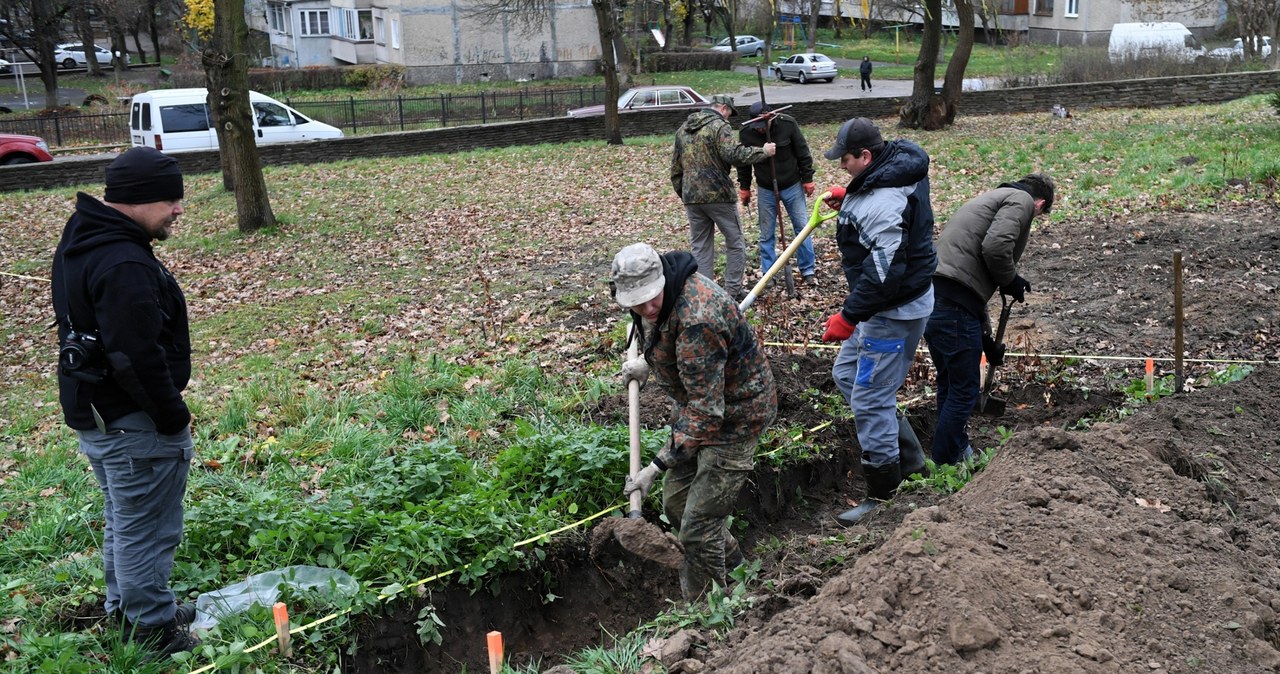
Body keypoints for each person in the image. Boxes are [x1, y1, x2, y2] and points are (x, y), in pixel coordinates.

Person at [50, 147, 199, 658]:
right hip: (132, 421)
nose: (179, 209)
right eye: (170, 199)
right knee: (149, 525)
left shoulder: (82, 236)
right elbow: (136, 356)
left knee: (126, 517)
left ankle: (130, 610)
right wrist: (172, 417)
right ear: (135, 200)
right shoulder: (123, 262)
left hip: (95, 411)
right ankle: (151, 629)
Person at [613, 243, 777, 600]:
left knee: (698, 528)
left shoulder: (698, 318)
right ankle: (737, 572)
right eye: (636, 302)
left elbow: (707, 414)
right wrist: (649, 361)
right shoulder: (655, 303)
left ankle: (707, 609)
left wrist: (653, 468)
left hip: (736, 417)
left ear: (662, 280)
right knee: (676, 506)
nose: (647, 307)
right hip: (697, 407)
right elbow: (663, 338)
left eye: (652, 298)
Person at [819, 118, 935, 527]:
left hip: (891, 313)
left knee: (870, 398)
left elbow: (884, 272)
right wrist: (850, 193)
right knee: (848, 373)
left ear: (866, 156)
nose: (842, 166)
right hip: (892, 305)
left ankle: (884, 494)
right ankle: (912, 460)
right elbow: (879, 196)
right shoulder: (898, 165)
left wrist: (848, 317)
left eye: (846, 162)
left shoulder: (885, 201)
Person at [924, 173, 1055, 465]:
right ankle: (946, 463)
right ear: (1040, 204)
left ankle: (958, 454)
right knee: (964, 390)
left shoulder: (989, 200)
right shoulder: (1021, 200)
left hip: (935, 301)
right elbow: (996, 246)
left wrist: (986, 341)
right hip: (953, 306)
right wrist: (1010, 280)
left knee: (950, 384)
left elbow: (966, 287)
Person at [671, 94, 777, 302]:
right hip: (718, 194)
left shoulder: (683, 129)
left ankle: (704, 294)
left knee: (700, 246)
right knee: (735, 242)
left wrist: (685, 193)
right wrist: (763, 151)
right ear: (723, 108)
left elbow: (676, 167)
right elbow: (734, 155)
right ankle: (733, 291)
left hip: (692, 196)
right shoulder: (720, 126)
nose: (729, 117)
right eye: (729, 112)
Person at [737, 101, 818, 287]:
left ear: (772, 118)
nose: (759, 130)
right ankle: (769, 272)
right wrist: (744, 187)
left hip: (792, 184)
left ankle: (808, 270)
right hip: (765, 187)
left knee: (802, 227)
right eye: (756, 127)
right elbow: (743, 162)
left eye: (762, 126)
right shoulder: (746, 132)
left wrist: (807, 178)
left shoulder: (788, 124)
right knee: (766, 233)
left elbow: (802, 151)